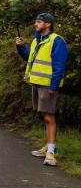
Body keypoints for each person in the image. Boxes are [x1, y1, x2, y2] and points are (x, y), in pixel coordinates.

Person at [16, 12, 68, 167]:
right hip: (36, 83)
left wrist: (53, 86)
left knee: (49, 117)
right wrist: (20, 48)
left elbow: (59, 65)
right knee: (44, 115)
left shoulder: (56, 41)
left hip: (47, 85)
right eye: (36, 22)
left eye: (39, 22)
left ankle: (51, 153)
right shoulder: (36, 40)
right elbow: (29, 58)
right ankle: (48, 147)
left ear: (48, 24)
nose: (36, 24)